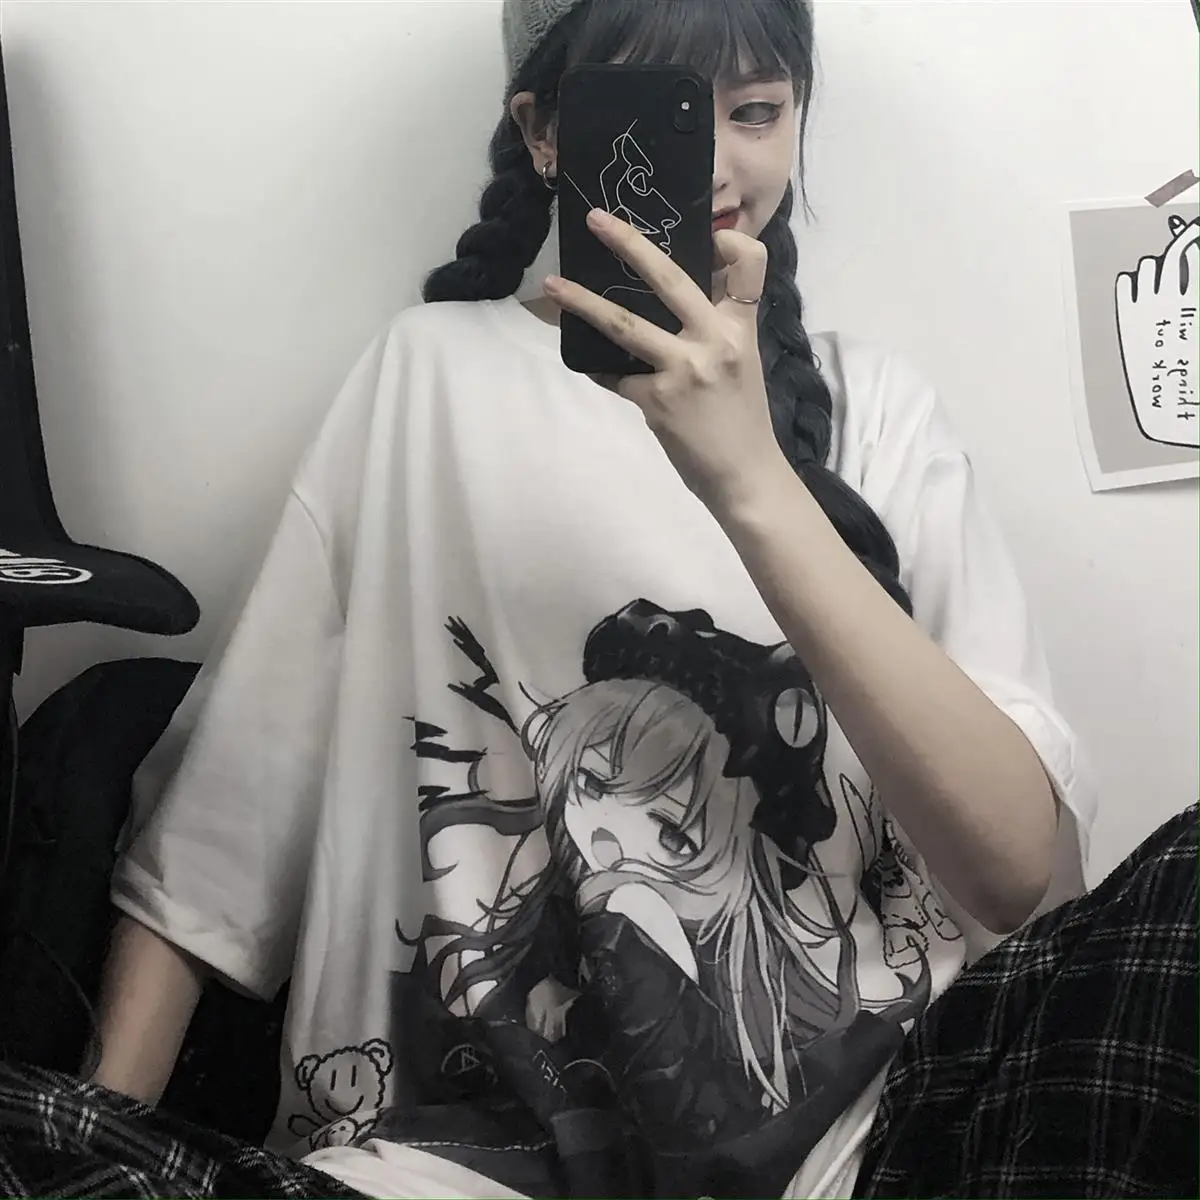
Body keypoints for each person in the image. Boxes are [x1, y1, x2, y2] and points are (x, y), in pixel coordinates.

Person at [5, 0, 1181, 1197]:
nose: (714, 166)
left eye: (757, 111)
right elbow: (221, 838)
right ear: (544, 132)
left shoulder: (878, 412)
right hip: (460, 1161)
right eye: (661, 112)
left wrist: (751, 479)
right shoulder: (431, 376)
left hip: (866, 1150)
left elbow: (1016, 875)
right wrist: (95, 1141)